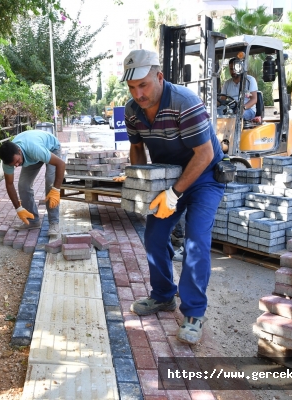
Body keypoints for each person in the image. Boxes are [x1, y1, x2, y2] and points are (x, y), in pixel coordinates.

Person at [120, 49, 225, 345]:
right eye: (132, 88)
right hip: (168, 177)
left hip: (204, 176)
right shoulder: (131, 111)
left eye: (143, 85)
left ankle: (193, 312)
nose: (138, 94)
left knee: (196, 240)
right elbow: (137, 148)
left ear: (159, 77)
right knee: (154, 235)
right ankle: (164, 296)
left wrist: (174, 193)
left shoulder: (184, 103)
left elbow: (204, 154)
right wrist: (139, 185)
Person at [0, 130, 65, 236]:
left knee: (50, 183)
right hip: (32, 155)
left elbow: (61, 164)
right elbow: (9, 184)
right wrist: (18, 208)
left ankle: (54, 222)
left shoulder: (34, 149)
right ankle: (32, 221)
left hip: (51, 148)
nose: (16, 165)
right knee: (23, 185)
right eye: (13, 164)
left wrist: (56, 190)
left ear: (19, 151)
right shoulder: (8, 160)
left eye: (17, 161)